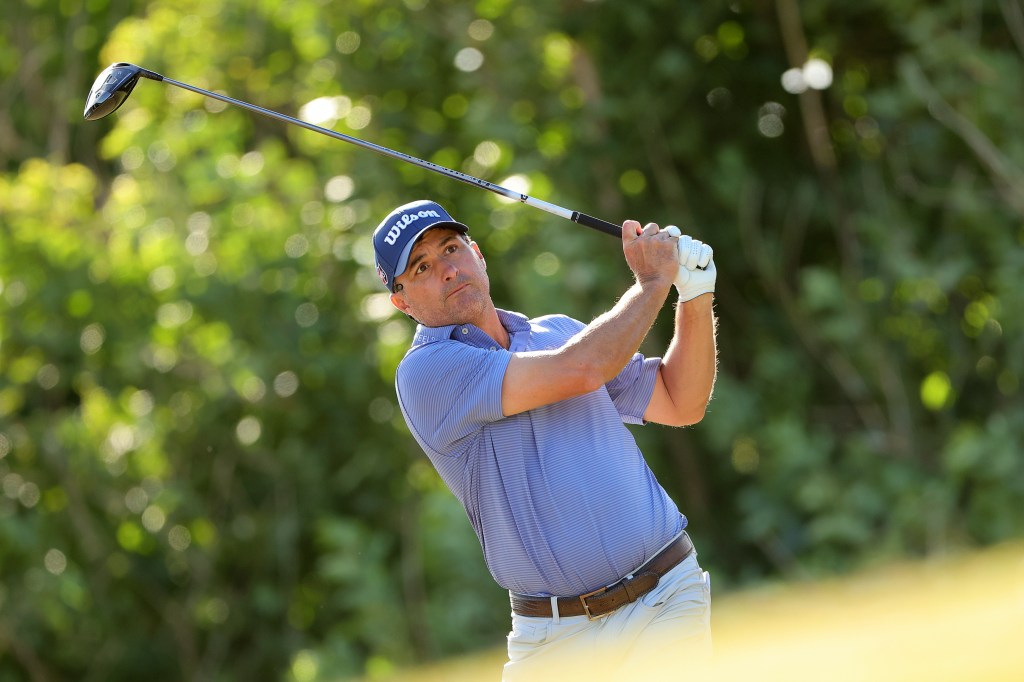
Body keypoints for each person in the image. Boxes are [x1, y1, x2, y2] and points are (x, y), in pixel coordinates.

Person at [372, 199, 718, 679]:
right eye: (422, 267)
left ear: (478, 254)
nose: (447, 270)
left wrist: (695, 295)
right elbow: (582, 368)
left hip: (665, 596)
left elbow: (683, 402)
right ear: (402, 301)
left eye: (451, 249)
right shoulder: (426, 373)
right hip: (555, 639)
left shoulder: (560, 333)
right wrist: (653, 283)